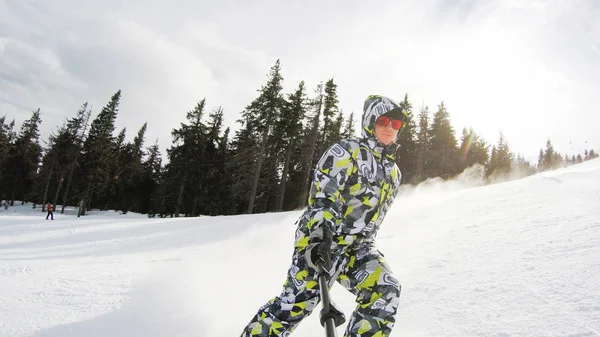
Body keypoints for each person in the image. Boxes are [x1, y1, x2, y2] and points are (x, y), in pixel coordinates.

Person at [240, 95, 409, 337]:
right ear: (370, 122)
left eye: (396, 124)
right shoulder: (346, 151)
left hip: (358, 248)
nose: (389, 128)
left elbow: (373, 220)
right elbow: (323, 196)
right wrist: (320, 236)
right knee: (294, 306)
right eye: (383, 121)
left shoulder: (394, 173)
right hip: (322, 240)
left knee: (385, 289)